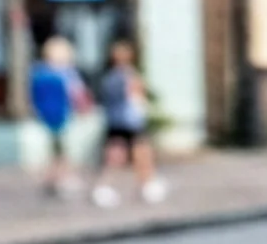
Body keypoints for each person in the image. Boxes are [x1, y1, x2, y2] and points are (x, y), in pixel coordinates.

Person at [91, 38, 165, 208]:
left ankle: (141, 184)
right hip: (128, 120)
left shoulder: (111, 76)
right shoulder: (123, 76)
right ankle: (140, 185)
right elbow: (136, 95)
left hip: (120, 121)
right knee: (132, 154)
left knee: (130, 154)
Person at [27, 35, 89, 198]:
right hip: (63, 115)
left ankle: (52, 178)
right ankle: (62, 178)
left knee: (54, 149)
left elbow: (33, 97)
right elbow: (77, 93)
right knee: (64, 149)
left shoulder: (38, 72)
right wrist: (83, 108)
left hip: (45, 117)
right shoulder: (67, 73)